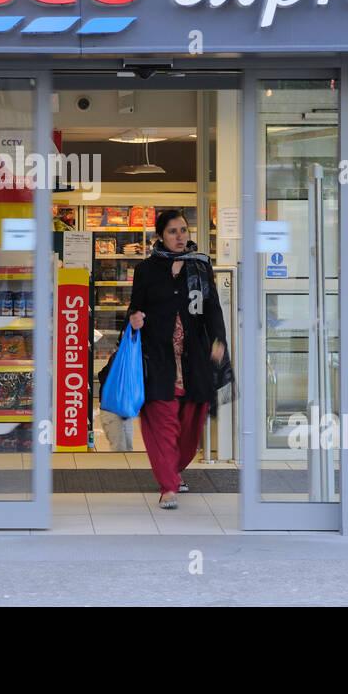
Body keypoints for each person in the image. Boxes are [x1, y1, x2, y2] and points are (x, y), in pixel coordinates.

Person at [127, 209, 228, 509]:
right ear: (160, 235)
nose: (180, 236)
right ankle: (168, 486)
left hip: (194, 358)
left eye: (183, 230)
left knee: (190, 426)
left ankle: (174, 469)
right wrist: (134, 318)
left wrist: (218, 340)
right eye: (173, 231)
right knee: (162, 424)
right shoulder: (146, 270)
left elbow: (213, 308)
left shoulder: (200, 267)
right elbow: (135, 307)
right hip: (157, 358)